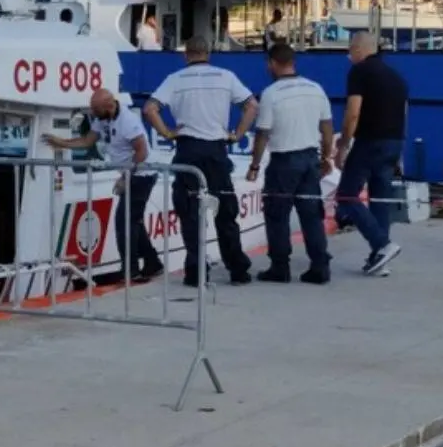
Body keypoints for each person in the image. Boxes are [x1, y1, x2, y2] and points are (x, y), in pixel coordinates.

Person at [144, 35, 257, 286]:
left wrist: (167, 133)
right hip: (216, 151)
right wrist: (237, 134)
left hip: (188, 150)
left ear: (186, 55)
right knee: (225, 213)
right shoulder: (225, 76)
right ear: (209, 53)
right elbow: (251, 105)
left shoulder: (175, 80)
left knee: (190, 214)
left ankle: (196, 272)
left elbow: (149, 109)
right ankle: (238, 270)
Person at [44, 89, 163, 282]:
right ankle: (152, 263)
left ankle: (131, 270)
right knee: (134, 220)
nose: (93, 113)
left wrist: (126, 177)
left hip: (142, 173)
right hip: (132, 173)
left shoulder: (127, 121)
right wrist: (62, 143)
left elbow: (142, 151)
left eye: (96, 109)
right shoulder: (103, 118)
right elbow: (87, 140)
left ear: (109, 105)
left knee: (124, 221)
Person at [246, 44, 335, 284]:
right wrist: (326, 158)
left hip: (283, 161)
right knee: (311, 216)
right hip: (309, 159)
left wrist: (254, 166)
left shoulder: (271, 93)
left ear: (272, 63)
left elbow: (263, 134)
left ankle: (280, 267)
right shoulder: (315, 89)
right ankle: (320, 266)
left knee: (277, 216)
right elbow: (327, 130)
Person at [334, 32, 407, 275]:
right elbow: (404, 113)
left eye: (350, 49)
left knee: (346, 195)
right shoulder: (396, 76)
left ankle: (382, 244)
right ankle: (380, 260)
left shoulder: (360, 72)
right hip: (393, 142)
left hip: (369, 141)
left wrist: (343, 145)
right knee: (380, 199)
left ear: (358, 49)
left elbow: (353, 112)